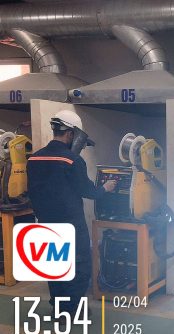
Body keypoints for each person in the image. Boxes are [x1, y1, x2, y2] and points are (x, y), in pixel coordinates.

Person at [27, 110, 116, 314]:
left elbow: (33, 191)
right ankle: (72, 309)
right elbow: (88, 191)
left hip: (45, 223)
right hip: (71, 225)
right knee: (80, 265)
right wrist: (105, 188)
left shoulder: (34, 159)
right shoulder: (72, 160)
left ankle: (58, 307)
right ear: (70, 134)